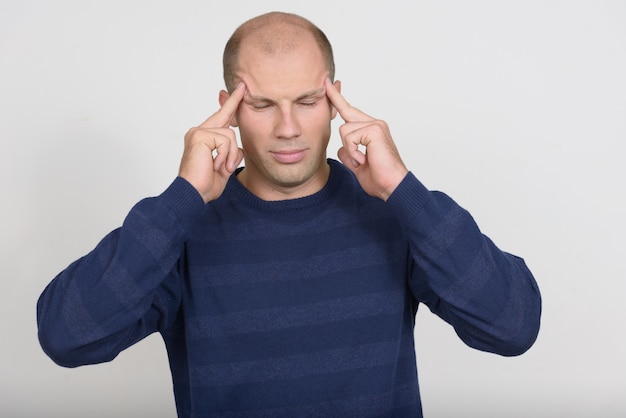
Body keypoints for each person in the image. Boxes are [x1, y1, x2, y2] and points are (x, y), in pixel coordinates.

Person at [37, 11, 542, 417]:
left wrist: (401, 188)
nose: (287, 128)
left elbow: (512, 326)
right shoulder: (180, 230)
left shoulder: (395, 215)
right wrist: (182, 197)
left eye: (306, 101)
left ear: (335, 100)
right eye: (261, 105)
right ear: (227, 109)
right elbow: (66, 337)